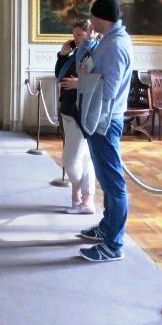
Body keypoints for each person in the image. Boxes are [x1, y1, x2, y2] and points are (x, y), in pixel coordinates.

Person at [61, 0, 133, 263]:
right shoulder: (106, 40)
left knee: (113, 183)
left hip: (106, 120)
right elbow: (85, 64)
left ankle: (114, 244)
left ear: (102, 17)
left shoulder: (116, 45)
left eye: (93, 16)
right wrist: (88, 43)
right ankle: (107, 228)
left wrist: (83, 81)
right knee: (106, 178)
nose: (90, 20)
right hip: (97, 117)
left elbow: (110, 89)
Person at [55, 20, 97, 215]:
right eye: (74, 35)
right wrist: (63, 55)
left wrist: (79, 83)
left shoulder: (95, 53)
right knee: (83, 157)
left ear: (90, 33)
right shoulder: (76, 55)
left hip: (80, 112)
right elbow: (59, 75)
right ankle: (85, 200)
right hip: (67, 108)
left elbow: (98, 80)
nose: (76, 38)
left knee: (71, 160)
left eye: (80, 34)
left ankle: (81, 192)